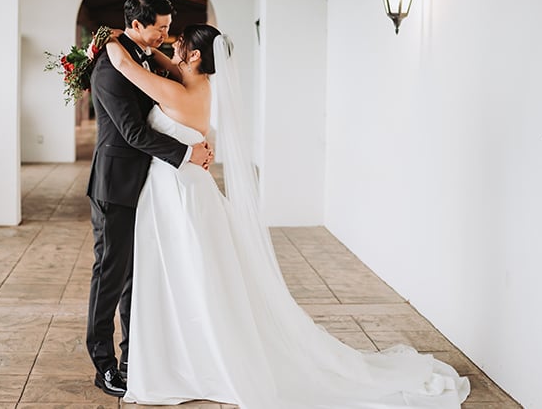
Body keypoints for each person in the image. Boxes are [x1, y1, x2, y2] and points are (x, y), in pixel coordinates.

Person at [102, 23, 471, 408]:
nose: (171, 46)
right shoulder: (197, 84)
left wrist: (111, 42)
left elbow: (128, 69)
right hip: (186, 187)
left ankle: (193, 359)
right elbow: (166, 63)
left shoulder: (178, 92)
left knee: (187, 273)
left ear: (194, 56)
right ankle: (185, 352)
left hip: (178, 192)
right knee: (192, 273)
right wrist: (146, 44)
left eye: (179, 44)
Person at [85, 0, 213, 398]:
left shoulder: (137, 54)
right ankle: (104, 364)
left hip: (145, 183)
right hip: (116, 183)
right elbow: (133, 132)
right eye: (159, 28)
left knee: (134, 276)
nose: (165, 35)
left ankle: (132, 357)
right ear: (136, 24)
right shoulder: (109, 67)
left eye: (168, 28)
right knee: (110, 273)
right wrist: (186, 153)